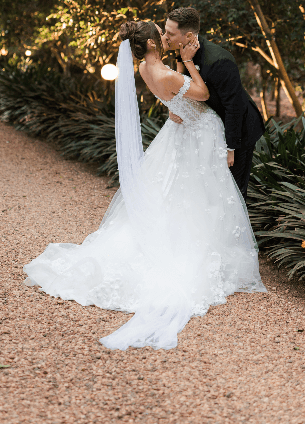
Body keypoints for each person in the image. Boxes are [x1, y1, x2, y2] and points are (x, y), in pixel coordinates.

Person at [23, 20, 266, 351]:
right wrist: (190, 64)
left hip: (181, 130)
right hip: (199, 135)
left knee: (179, 195)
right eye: (160, 35)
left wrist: (173, 106)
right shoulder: (166, 73)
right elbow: (204, 94)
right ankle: (203, 247)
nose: (165, 38)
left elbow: (173, 99)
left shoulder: (143, 68)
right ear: (152, 45)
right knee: (199, 197)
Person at [164, 7, 266, 200]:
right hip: (211, 127)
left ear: (188, 36)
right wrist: (174, 108)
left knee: (233, 192)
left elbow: (234, 108)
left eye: (170, 33)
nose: (166, 36)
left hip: (239, 130)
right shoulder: (182, 50)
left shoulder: (219, 60)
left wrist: (230, 148)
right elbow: (180, 85)